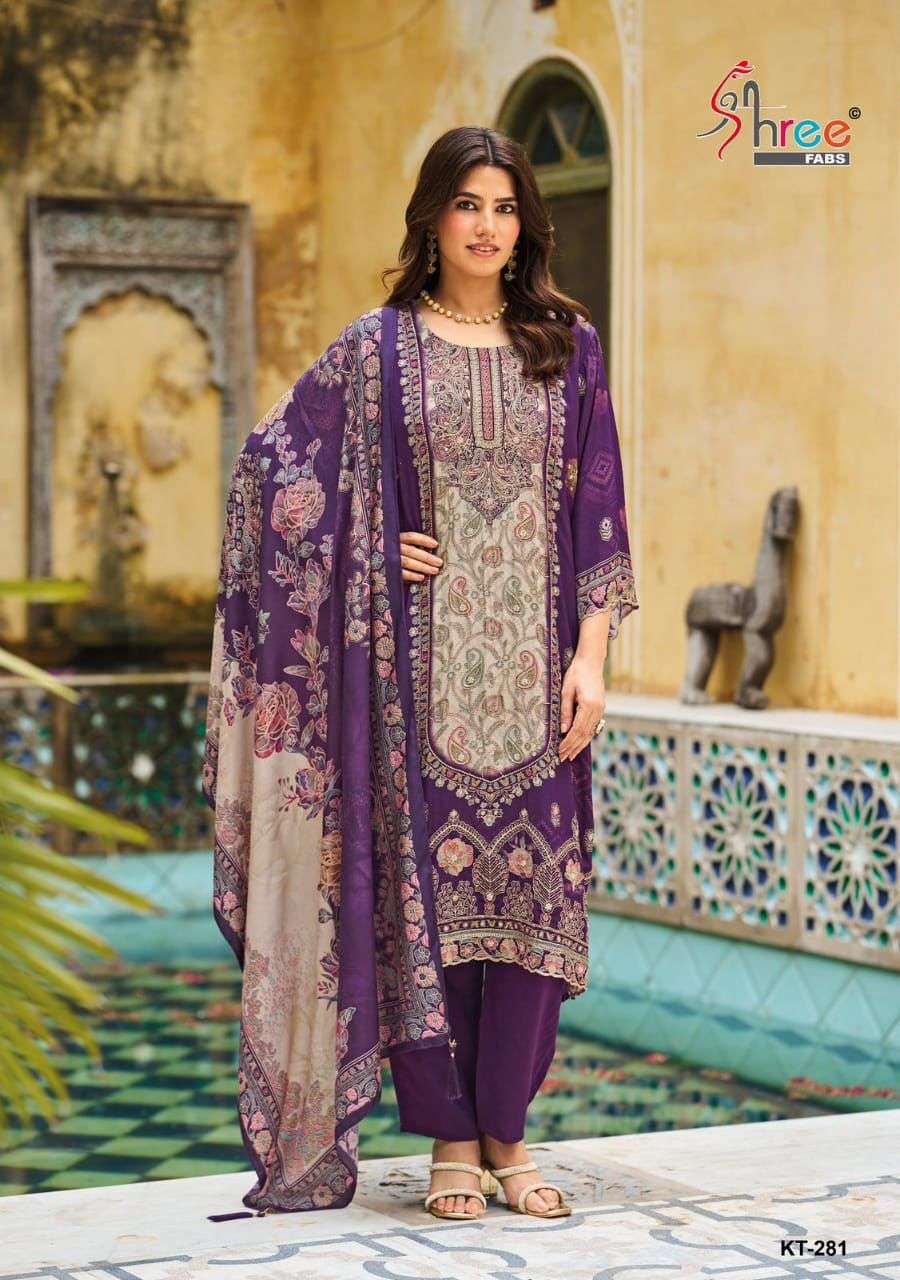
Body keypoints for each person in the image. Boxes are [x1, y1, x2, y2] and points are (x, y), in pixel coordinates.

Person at [203, 125, 638, 1221]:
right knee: (425, 913)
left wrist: (591, 659)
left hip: (537, 685)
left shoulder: (568, 345)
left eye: (505, 207)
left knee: (534, 905)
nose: (488, 227)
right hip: (412, 685)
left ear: (526, 224)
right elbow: (269, 474)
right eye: (467, 204)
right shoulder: (377, 348)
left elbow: (602, 510)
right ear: (433, 216)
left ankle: (511, 1134)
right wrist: (363, 536)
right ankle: (451, 1138)